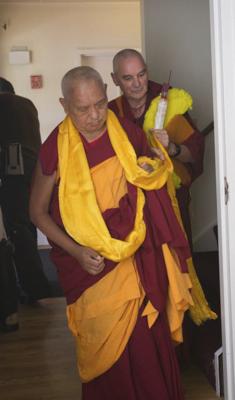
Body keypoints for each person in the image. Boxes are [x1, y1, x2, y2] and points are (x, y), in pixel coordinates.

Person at [29, 66, 210, 399]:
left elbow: (151, 183)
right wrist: (76, 252)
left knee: (145, 338)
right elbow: (37, 212)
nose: (95, 115)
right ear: (64, 103)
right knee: (103, 346)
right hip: (91, 264)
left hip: (137, 256)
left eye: (100, 104)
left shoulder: (126, 132)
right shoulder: (56, 145)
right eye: (82, 109)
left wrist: (152, 166)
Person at [109, 49, 205, 249]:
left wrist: (171, 148)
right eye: (128, 78)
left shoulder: (170, 101)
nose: (137, 84)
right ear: (115, 79)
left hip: (171, 199)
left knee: (178, 257)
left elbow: (194, 153)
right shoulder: (112, 112)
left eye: (141, 74)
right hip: (132, 203)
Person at [0, 77, 50, 306]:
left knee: (18, 231)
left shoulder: (4, 104)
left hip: (12, 175)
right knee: (29, 226)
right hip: (35, 170)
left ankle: (35, 288)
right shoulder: (27, 104)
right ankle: (38, 286)